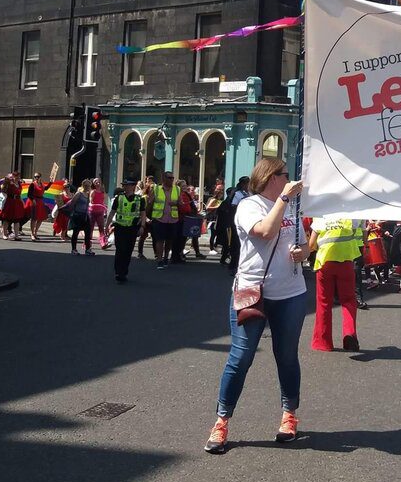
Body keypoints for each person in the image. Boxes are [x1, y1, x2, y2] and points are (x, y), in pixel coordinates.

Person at [204, 158, 308, 453]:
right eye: (286, 175)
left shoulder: (293, 207)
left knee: (286, 355)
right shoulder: (249, 205)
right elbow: (265, 231)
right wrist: (286, 198)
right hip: (252, 292)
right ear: (272, 178)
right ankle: (221, 421)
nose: (290, 179)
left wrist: (304, 251)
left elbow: (303, 241)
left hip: (291, 293)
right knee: (241, 357)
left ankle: (289, 414)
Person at [309, 216, 362, 351]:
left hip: (325, 264)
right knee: (349, 300)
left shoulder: (320, 216)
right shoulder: (352, 216)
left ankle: (323, 342)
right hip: (346, 263)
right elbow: (361, 237)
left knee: (324, 303)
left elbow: (311, 245)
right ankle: (350, 334)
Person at [106, 178, 147, 282]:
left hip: (133, 228)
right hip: (120, 227)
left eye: (128, 185)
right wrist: (107, 225)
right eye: (124, 185)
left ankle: (124, 272)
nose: (126, 187)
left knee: (128, 251)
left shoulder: (139, 199)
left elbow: (143, 213)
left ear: (133, 186)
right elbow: (112, 212)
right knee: (120, 250)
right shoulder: (119, 198)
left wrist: (142, 226)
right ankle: (118, 272)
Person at [147, 171, 180, 269]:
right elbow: (149, 203)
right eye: (169, 178)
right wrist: (147, 217)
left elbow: (180, 202)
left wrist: (176, 203)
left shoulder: (177, 189)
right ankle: (159, 260)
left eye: (172, 178)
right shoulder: (156, 189)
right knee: (160, 239)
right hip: (159, 218)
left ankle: (166, 257)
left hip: (172, 218)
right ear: (164, 179)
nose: (172, 180)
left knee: (169, 240)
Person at [66, 179, 94, 255]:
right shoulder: (79, 194)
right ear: (83, 186)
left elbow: (88, 205)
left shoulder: (88, 194)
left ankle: (88, 249)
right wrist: (71, 213)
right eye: (86, 185)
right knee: (76, 232)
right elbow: (72, 203)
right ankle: (74, 249)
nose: (87, 187)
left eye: (89, 186)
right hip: (77, 215)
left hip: (85, 216)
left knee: (88, 233)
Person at [0, 172, 24, 240]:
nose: (18, 178)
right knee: (7, 219)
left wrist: (22, 202)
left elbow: (20, 194)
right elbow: (3, 189)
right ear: (13, 177)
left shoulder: (19, 184)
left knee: (17, 220)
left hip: (17, 202)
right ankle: (4, 234)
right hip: (10, 202)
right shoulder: (9, 183)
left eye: (18, 176)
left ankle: (16, 236)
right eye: (16, 176)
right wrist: (7, 181)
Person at [26, 172, 49, 241]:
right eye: (35, 177)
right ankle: (32, 233)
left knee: (41, 218)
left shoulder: (42, 184)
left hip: (40, 201)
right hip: (34, 202)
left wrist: (50, 182)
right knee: (34, 218)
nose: (36, 178)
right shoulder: (33, 184)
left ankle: (35, 232)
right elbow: (29, 194)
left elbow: (46, 188)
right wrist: (32, 200)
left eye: (38, 176)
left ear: (40, 177)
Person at [89, 178, 108, 249]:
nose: (98, 183)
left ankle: (103, 243)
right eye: (96, 182)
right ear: (94, 184)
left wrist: (104, 207)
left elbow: (103, 201)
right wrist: (91, 203)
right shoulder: (93, 191)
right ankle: (87, 243)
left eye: (99, 182)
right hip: (92, 212)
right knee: (90, 228)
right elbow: (91, 201)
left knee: (101, 228)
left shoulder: (103, 192)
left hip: (100, 212)